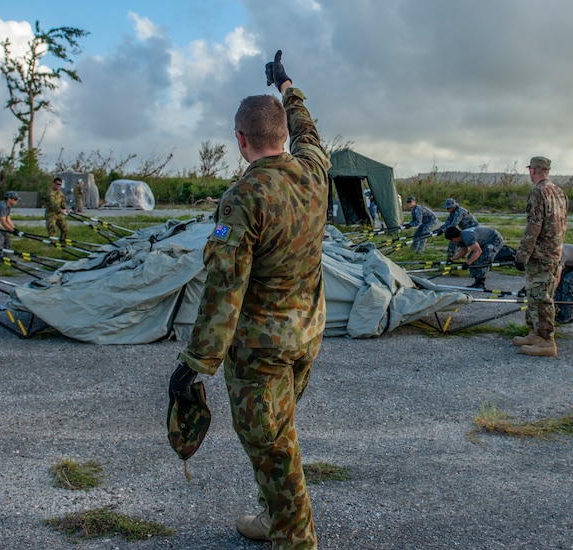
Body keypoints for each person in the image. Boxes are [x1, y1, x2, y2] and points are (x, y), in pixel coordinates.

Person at [168, 50, 327, 549]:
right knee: (277, 434)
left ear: (240, 140)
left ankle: (295, 540)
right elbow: (309, 129)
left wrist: (196, 361)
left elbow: (223, 288)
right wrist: (287, 86)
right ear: (281, 134)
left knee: (273, 445)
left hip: (260, 349)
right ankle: (273, 514)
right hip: (307, 335)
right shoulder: (314, 170)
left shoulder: (243, 197)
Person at [512, 156, 569, 357]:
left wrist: (522, 254)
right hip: (554, 251)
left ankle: (547, 341)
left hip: (541, 253)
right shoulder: (559, 191)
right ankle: (535, 333)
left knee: (541, 297)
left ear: (533, 170)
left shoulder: (538, 192)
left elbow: (533, 226)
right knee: (535, 294)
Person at [45, 176, 69, 243]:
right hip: (51, 214)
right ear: (53, 184)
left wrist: (66, 209)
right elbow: (53, 204)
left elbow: (63, 203)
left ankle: (63, 242)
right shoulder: (50, 193)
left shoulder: (60, 194)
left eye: (60, 185)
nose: (58, 186)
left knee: (65, 228)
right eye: (57, 184)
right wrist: (60, 210)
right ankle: (52, 243)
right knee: (52, 229)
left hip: (58, 214)